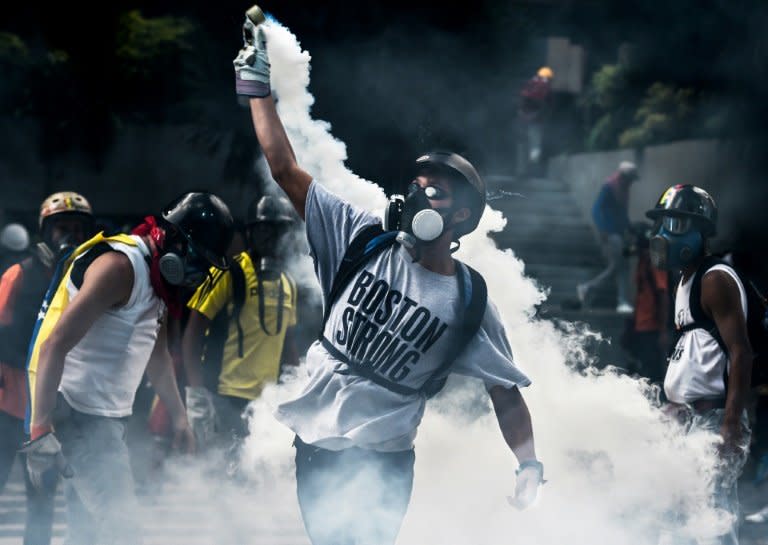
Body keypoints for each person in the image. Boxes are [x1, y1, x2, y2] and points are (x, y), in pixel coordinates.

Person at [234, 12, 543, 545]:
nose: (420, 196)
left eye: (437, 192)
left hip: (384, 459)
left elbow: (506, 392)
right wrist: (257, 88)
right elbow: (286, 169)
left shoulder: (469, 301)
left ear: (463, 218)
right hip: (316, 445)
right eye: (417, 186)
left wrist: (528, 464)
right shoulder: (361, 237)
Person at [21, 191, 234, 545]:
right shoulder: (120, 268)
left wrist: (180, 417)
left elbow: (157, 354)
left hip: (105, 416)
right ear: (173, 240)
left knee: (87, 530)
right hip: (79, 413)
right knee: (122, 529)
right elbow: (54, 345)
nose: (199, 273)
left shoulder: (158, 282)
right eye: (198, 259)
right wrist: (39, 432)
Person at [647, 184, 751, 545]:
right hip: (693, 418)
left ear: (701, 231)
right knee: (682, 518)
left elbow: (740, 352)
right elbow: (699, 352)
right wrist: (677, 404)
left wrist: (730, 425)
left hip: (714, 419)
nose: (663, 235)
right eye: (662, 224)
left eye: (675, 224)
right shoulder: (686, 280)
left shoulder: (715, 279)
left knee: (711, 518)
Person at [0, 192, 94, 545]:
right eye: (61, 229)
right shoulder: (18, 275)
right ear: (45, 232)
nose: (69, 236)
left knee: (44, 502)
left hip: (56, 414)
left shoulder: (90, 280)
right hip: (9, 408)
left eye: (76, 229)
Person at [183, 194, 300, 454]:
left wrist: (297, 388)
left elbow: (288, 343)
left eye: (280, 232)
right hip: (225, 396)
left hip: (267, 402)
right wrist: (196, 394)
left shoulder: (289, 283)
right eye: (265, 231)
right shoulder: (229, 273)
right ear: (251, 234)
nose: (273, 240)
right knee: (224, 474)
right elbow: (193, 332)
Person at [577, 160, 639, 313]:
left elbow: (622, 213)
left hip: (620, 233)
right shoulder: (610, 186)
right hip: (610, 234)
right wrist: (602, 229)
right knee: (621, 266)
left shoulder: (624, 190)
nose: (631, 182)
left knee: (620, 266)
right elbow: (597, 210)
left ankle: (588, 288)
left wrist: (631, 229)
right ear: (623, 177)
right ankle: (621, 300)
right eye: (630, 179)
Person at [620, 222, 670, 383]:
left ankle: (657, 404)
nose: (631, 243)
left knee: (653, 372)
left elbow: (663, 295)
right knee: (639, 369)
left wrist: (663, 331)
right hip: (641, 325)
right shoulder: (642, 259)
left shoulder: (655, 262)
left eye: (634, 239)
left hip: (652, 328)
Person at [516, 66, 553, 177]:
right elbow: (548, 106)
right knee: (535, 146)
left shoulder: (529, 84)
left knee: (522, 145)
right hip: (536, 121)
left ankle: (521, 171)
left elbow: (521, 101)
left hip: (523, 119)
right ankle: (533, 169)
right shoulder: (546, 87)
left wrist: (522, 114)